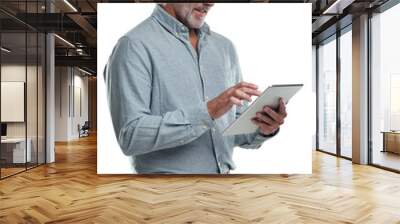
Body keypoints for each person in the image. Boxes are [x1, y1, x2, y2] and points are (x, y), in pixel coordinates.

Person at [104, 3, 287, 174]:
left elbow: (233, 130)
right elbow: (130, 136)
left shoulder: (225, 47)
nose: (210, 2)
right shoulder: (133, 46)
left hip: (224, 186)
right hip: (164, 195)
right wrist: (209, 111)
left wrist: (263, 127)